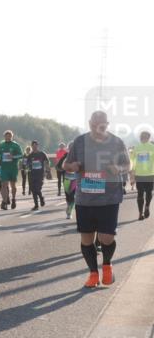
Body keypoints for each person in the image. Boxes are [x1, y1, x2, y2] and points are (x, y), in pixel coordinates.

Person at [62, 111, 132, 288]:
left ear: (107, 124)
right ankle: (93, 273)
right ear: (89, 123)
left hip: (109, 198)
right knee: (86, 238)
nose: (98, 128)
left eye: (102, 125)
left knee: (106, 238)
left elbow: (127, 164)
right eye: (94, 125)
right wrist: (73, 166)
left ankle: (107, 265)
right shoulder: (79, 142)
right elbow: (66, 165)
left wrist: (118, 168)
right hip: (85, 199)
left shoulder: (116, 142)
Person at [0, 130, 23, 210]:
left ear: (12, 137)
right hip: (4, 168)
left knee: (13, 186)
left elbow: (21, 155)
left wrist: (13, 157)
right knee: (3, 185)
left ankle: (13, 199)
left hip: (13, 168)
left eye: (9, 136)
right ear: (4, 137)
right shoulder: (1, 145)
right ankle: (4, 201)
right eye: (6, 136)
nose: (8, 137)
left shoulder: (15, 145)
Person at [131, 130, 154, 220]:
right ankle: (147, 206)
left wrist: (132, 172)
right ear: (149, 138)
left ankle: (140, 213)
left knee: (140, 194)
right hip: (150, 174)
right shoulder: (152, 147)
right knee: (149, 192)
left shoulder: (136, 148)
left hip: (140, 174)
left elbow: (132, 161)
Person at [25, 140, 51, 210]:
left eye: (35, 145)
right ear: (31, 146)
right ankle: (36, 205)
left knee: (37, 189)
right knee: (33, 190)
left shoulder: (42, 154)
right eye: (33, 146)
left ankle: (41, 198)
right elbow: (27, 165)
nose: (34, 147)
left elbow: (47, 162)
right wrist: (26, 169)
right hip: (32, 174)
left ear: (37, 146)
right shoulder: (30, 155)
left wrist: (47, 171)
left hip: (40, 174)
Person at [56, 151, 78, 220]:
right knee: (68, 196)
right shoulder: (65, 157)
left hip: (75, 180)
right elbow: (57, 167)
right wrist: (63, 168)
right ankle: (69, 206)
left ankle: (69, 212)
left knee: (72, 196)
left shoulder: (79, 156)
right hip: (66, 180)